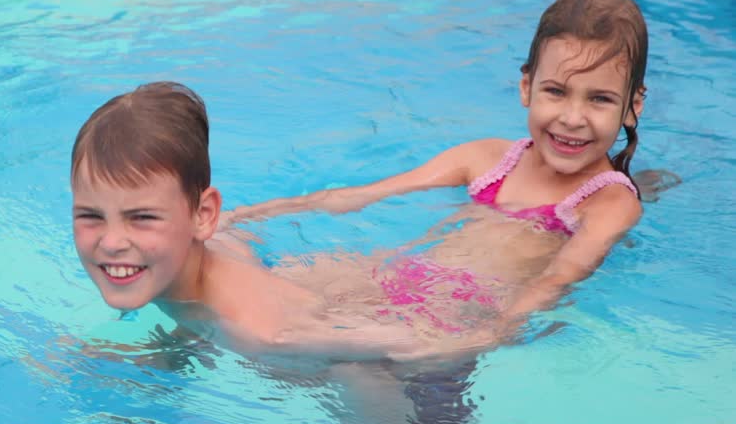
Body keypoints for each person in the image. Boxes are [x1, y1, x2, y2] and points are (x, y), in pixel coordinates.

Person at [223, 0, 657, 340]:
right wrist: (248, 215)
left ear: (633, 105)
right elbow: (360, 196)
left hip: (461, 318)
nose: (572, 117)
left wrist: (489, 335)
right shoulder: (487, 159)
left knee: (320, 348)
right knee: (247, 284)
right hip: (400, 274)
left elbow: (558, 280)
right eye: (556, 92)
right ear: (527, 86)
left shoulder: (609, 204)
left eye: (599, 99)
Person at [68, 80, 486, 363]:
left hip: (400, 365)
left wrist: (477, 340)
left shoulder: (263, 332)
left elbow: (405, 345)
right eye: (90, 216)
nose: (112, 241)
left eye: (141, 218)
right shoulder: (204, 247)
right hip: (353, 288)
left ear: (202, 217)